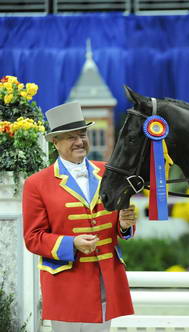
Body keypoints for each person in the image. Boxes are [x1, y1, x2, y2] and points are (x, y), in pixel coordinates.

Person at [22, 102, 136, 332]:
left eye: (82, 134)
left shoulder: (108, 172)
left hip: (106, 279)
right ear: (55, 142)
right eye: (70, 137)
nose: (79, 141)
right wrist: (71, 243)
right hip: (66, 285)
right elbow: (33, 238)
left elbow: (120, 228)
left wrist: (124, 226)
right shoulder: (36, 183)